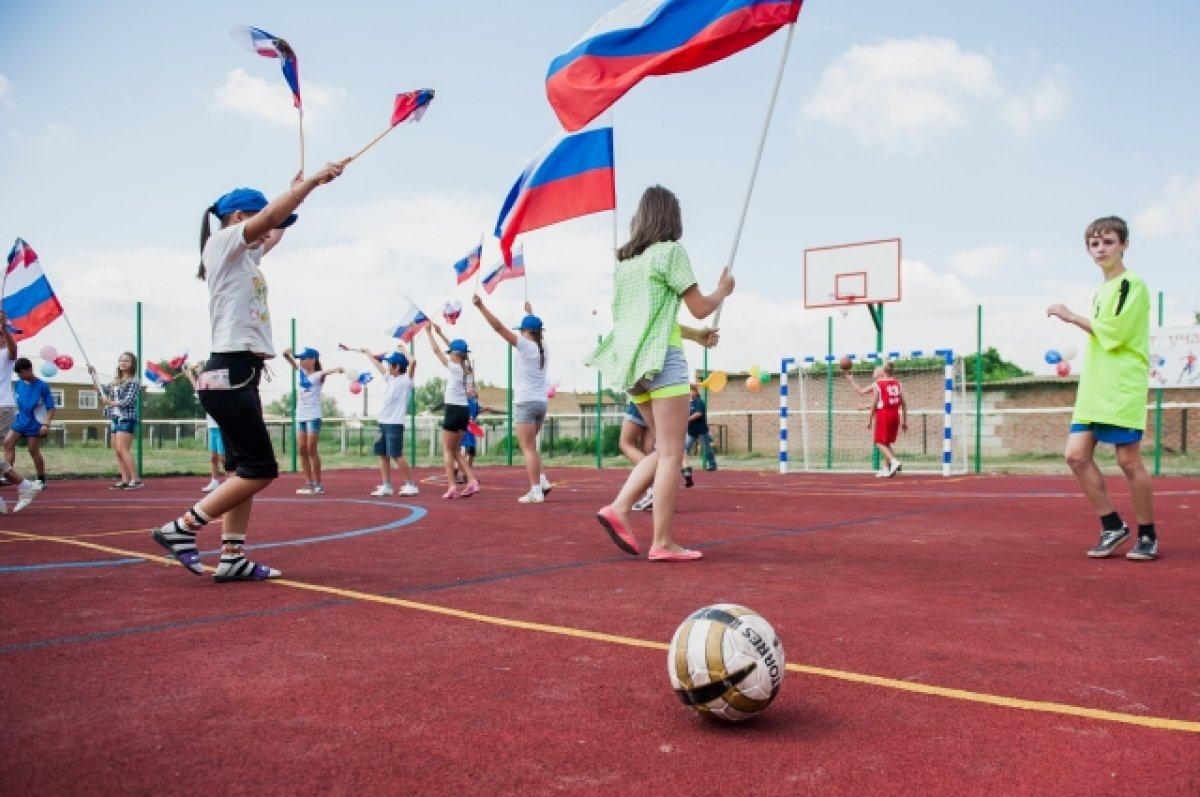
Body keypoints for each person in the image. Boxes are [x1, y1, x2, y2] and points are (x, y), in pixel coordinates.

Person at [150, 161, 346, 583]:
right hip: (231, 369)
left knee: (244, 471)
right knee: (261, 469)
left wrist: (298, 190)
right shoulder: (223, 242)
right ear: (239, 218)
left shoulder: (245, 253)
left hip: (237, 372)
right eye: (256, 218)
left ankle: (232, 556)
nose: (267, 229)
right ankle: (181, 528)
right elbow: (271, 219)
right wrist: (311, 183)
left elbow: (274, 228)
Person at [586, 185, 733, 562]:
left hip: (631, 363)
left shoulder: (627, 265)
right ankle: (661, 541)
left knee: (662, 449)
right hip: (662, 360)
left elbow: (645, 321)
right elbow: (700, 307)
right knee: (671, 453)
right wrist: (723, 291)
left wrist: (695, 334)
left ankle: (619, 508)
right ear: (672, 217)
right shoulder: (671, 252)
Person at [1047, 215, 1157, 561]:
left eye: (1108, 242)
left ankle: (1148, 536)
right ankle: (1112, 525)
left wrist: (1070, 316)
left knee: (1128, 460)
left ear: (1124, 244)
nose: (1101, 249)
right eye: (1094, 244)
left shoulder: (1131, 285)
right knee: (1076, 456)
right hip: (1094, 385)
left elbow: (1116, 332)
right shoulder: (1102, 291)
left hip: (1121, 384)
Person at [472, 295, 554, 503]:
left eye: (522, 330)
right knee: (531, 447)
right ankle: (542, 481)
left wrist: (481, 306)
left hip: (525, 402)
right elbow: (536, 331)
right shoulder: (544, 347)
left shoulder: (526, 346)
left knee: (527, 448)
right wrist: (530, 313)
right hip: (540, 403)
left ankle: (536, 491)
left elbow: (498, 327)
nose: (519, 333)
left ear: (526, 333)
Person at [282, 346, 344, 495]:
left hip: (313, 416)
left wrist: (337, 369)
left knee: (311, 449)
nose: (301, 361)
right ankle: (308, 483)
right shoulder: (301, 372)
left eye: (303, 358)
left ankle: (318, 484)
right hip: (300, 416)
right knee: (302, 449)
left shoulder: (317, 375)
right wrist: (286, 353)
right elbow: (288, 358)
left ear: (312, 360)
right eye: (300, 359)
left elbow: (325, 372)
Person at [361, 347, 419, 497]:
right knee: (382, 454)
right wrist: (368, 353)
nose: (387, 367)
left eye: (390, 365)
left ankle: (411, 485)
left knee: (396, 454)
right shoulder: (390, 378)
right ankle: (386, 485)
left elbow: (413, 361)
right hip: (383, 422)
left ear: (397, 366)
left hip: (395, 423)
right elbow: (377, 365)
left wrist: (403, 349)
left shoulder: (406, 381)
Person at [429, 324, 479, 498]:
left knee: (448, 450)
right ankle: (472, 481)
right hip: (464, 411)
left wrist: (429, 333)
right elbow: (456, 349)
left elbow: (437, 351)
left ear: (455, 355)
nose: (449, 354)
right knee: (457, 450)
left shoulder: (454, 367)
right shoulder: (468, 370)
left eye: (451, 352)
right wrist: (441, 333)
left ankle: (452, 486)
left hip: (452, 410)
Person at [89, 352, 142, 489]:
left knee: (123, 449)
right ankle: (125, 480)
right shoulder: (115, 381)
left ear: (132, 364)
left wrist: (110, 402)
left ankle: (135, 479)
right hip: (115, 417)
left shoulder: (134, 381)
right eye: (121, 360)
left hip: (126, 417)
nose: (123, 363)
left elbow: (128, 401)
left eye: (126, 361)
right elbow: (100, 390)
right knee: (117, 450)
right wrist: (93, 375)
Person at [845, 361, 906, 477]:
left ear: (881, 373)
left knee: (879, 441)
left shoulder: (878, 384)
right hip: (895, 413)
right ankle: (886, 468)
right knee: (886, 442)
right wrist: (864, 407)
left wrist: (851, 380)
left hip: (884, 415)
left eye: (876, 370)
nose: (873, 371)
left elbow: (864, 394)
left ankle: (894, 461)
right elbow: (882, 402)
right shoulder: (895, 383)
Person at [4, 356, 55, 488]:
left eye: (21, 373)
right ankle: (6, 476)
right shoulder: (19, 383)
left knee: (32, 450)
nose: (20, 376)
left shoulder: (42, 386)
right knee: (7, 443)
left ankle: (41, 479)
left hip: (35, 422)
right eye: (18, 374)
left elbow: (51, 408)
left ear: (29, 369)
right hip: (21, 419)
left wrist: (46, 424)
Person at [182, 362, 224, 493]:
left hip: (222, 426)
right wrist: (190, 374)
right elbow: (198, 388)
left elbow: (200, 387)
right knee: (213, 457)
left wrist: (193, 373)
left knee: (224, 458)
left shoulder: (217, 386)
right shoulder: (204, 388)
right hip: (212, 426)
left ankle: (231, 481)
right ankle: (214, 481)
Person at [620, 401, 656, 511]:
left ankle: (657, 486)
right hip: (662, 399)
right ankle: (657, 490)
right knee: (648, 451)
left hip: (642, 398)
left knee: (626, 443)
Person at [0, 312, 19, 488]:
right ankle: (25, 486)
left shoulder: (6, 354)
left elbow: (14, 351)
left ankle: (24, 485)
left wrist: (5, 328)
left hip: (2, 407)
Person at [685, 382, 718, 473]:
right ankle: (683, 466)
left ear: (695, 392)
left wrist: (688, 419)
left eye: (690, 391)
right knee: (685, 448)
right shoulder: (689, 403)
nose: (689, 393)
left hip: (701, 430)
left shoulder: (700, 402)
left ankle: (712, 464)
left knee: (707, 448)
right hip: (691, 431)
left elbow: (699, 414)